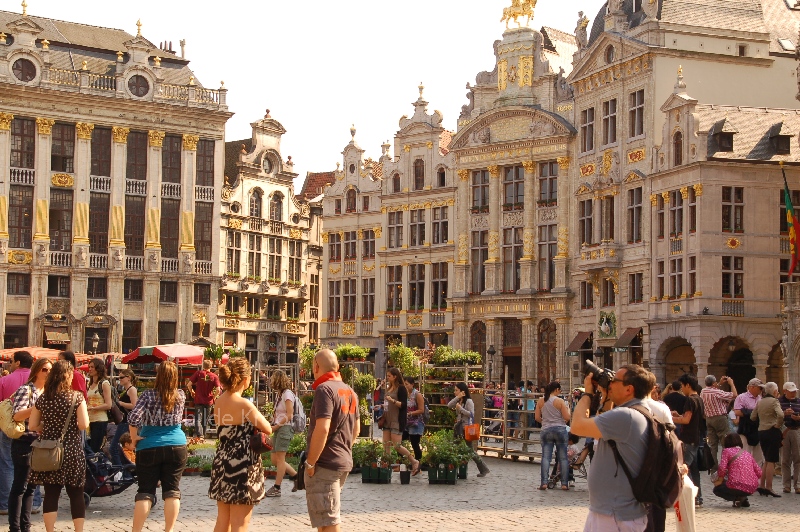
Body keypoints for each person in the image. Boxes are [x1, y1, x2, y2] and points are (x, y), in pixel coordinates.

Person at [570, 364, 652, 532]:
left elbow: (577, 426)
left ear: (629, 389)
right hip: (611, 511)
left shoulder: (626, 416)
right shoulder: (632, 412)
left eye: (614, 381)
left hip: (615, 514)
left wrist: (587, 393)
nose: (610, 384)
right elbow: (602, 426)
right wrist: (606, 397)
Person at [209, 357, 270, 532]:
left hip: (222, 461)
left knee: (222, 521)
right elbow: (267, 428)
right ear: (245, 379)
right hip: (242, 465)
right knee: (240, 524)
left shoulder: (219, 402)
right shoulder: (244, 404)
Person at [28, 360, 89, 532]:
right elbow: (84, 424)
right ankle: (78, 530)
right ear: (68, 376)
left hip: (50, 451)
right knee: (76, 493)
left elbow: (32, 425)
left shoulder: (43, 398)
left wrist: (47, 426)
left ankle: (50, 530)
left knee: (51, 493)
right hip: (71, 450)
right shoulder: (76, 397)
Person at [128, 361, 188, 532]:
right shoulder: (181, 395)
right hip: (176, 445)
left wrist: (134, 437)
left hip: (149, 445)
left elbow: (133, 418)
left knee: (145, 492)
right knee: (172, 491)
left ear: (158, 375)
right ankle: (169, 530)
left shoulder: (148, 395)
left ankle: (136, 530)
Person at [304, 349, 359, 532]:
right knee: (325, 518)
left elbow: (323, 428)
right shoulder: (350, 391)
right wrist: (342, 448)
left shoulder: (324, 389)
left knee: (329, 520)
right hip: (342, 460)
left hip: (325, 463)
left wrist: (311, 462)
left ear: (316, 366)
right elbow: (356, 429)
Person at [8, 357, 51, 532]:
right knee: (20, 486)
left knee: (32, 487)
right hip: (24, 442)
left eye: (50, 370)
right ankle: (15, 527)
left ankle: (25, 527)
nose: (48, 373)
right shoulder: (26, 390)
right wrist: (37, 407)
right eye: (44, 369)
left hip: (41, 443)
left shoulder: (48, 392)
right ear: (36, 371)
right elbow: (17, 415)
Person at [0, 350, 34, 516]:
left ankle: (6, 503)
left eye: (12, 361)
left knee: (7, 462)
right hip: (33, 427)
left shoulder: (5, 380)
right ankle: (34, 502)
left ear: (18, 362)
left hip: (10, 426)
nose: (10, 364)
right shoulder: (37, 381)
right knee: (34, 464)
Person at [671, 373, 704, 507]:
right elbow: (690, 418)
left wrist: (670, 418)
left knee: (684, 468)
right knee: (694, 470)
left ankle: (690, 496)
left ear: (688, 385)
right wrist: (679, 415)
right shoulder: (699, 399)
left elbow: (686, 420)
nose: (682, 389)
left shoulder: (690, 400)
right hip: (696, 437)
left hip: (688, 438)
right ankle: (698, 497)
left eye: (683, 386)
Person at [265, 370, 297, 497]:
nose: (271, 381)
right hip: (278, 428)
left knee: (280, 459)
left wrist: (276, 426)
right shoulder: (280, 394)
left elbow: (290, 414)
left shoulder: (287, 394)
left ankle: (277, 487)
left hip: (285, 428)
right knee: (275, 459)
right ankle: (296, 476)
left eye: (273, 379)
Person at [381, 368, 420, 474]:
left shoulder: (401, 388)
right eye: (387, 376)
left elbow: (403, 405)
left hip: (396, 420)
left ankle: (414, 461)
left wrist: (392, 400)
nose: (387, 378)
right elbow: (387, 403)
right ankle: (386, 467)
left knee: (397, 446)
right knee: (386, 445)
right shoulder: (389, 388)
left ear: (395, 377)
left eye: (389, 376)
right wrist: (381, 406)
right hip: (387, 419)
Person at [448, 382, 490, 477]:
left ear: (462, 391)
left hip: (466, 428)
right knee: (454, 448)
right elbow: (449, 405)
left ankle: (483, 468)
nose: (455, 392)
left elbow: (471, 414)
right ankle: (453, 470)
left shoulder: (469, 401)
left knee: (470, 450)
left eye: (456, 390)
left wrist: (461, 409)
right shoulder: (459, 401)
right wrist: (457, 398)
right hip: (459, 428)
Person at [535, 381, 571, 490]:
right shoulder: (560, 401)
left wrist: (545, 422)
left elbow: (537, 417)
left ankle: (544, 482)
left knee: (546, 457)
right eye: (560, 390)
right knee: (563, 458)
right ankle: (564, 483)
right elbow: (567, 417)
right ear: (556, 390)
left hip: (546, 429)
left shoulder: (541, 400)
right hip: (560, 429)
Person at [750, 381, 784, 497]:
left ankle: (762, 485)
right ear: (775, 392)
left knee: (766, 459)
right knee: (771, 461)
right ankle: (769, 487)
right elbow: (781, 415)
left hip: (761, 431)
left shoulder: (760, 401)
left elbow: (753, 417)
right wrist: (777, 425)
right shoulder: (774, 401)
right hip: (771, 431)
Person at [712, 433, 760, 507]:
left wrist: (720, 479)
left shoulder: (726, 451)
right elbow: (759, 472)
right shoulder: (747, 453)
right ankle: (743, 497)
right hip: (751, 487)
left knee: (717, 490)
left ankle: (737, 498)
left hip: (735, 485)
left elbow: (722, 469)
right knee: (740, 486)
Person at [700, 375, 737, 466]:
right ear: (714, 383)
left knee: (713, 444)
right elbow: (734, 395)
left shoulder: (703, 391)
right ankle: (726, 465)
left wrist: (719, 383)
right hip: (720, 418)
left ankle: (713, 467)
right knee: (725, 442)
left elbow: (712, 389)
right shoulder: (717, 392)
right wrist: (731, 384)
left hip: (709, 419)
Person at [732, 378, 764, 466]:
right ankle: (745, 473)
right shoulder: (741, 397)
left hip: (757, 429)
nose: (761, 390)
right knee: (745, 454)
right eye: (760, 388)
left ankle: (756, 474)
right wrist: (754, 412)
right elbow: (737, 412)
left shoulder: (760, 398)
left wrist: (746, 411)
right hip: (745, 428)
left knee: (758, 457)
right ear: (752, 387)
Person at [109, 369, 138, 466]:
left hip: (127, 422)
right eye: (119, 377)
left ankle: (120, 469)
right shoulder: (127, 390)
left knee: (114, 447)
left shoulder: (132, 390)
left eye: (121, 377)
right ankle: (124, 468)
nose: (119, 379)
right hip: (124, 421)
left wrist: (121, 403)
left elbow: (134, 405)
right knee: (120, 447)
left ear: (129, 378)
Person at [85, 358, 112, 453]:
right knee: (88, 448)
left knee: (94, 449)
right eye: (89, 367)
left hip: (100, 420)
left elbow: (108, 404)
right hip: (89, 420)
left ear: (98, 368)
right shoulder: (89, 384)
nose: (90, 369)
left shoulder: (104, 383)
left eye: (92, 367)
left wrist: (93, 408)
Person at [188, 360, 220, 438]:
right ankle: (203, 436)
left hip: (198, 399)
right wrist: (214, 397)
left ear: (203, 366)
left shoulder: (198, 373)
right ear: (211, 366)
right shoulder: (214, 376)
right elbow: (218, 390)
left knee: (198, 419)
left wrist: (192, 392)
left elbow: (189, 384)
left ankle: (200, 435)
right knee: (205, 419)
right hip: (209, 401)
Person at [778, 381, 800, 493]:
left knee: (798, 458)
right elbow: (775, 415)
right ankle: (786, 485)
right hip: (784, 431)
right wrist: (784, 413)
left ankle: (798, 485)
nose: (793, 393)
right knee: (785, 459)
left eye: (794, 391)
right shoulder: (779, 402)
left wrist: (798, 418)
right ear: (785, 391)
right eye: (791, 391)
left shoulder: (799, 401)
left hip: (796, 430)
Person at [402, 377, 425, 464]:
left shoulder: (417, 394)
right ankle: (404, 460)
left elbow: (421, 410)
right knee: (399, 440)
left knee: (414, 443)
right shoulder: (405, 394)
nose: (405, 386)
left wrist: (410, 413)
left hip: (416, 423)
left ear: (412, 384)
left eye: (407, 384)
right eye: (404, 384)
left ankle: (418, 462)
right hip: (406, 422)